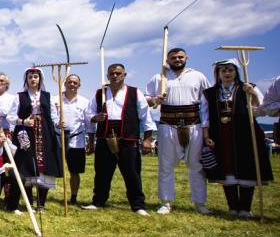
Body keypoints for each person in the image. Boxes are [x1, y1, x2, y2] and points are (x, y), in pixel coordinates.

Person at [201, 59, 273, 217]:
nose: (227, 73)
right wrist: (206, 136)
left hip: (245, 133)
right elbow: (205, 116)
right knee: (227, 167)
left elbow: (261, 108)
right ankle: (233, 207)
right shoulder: (210, 93)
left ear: (236, 72)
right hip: (221, 133)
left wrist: (252, 93)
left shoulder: (247, 87)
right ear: (218, 73)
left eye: (230, 70)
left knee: (246, 166)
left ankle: (245, 209)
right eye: (223, 71)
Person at [83, 63, 156, 216]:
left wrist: (148, 139)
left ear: (124, 75)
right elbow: (88, 116)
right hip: (104, 138)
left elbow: (145, 117)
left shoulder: (135, 93)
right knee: (102, 173)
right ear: (107, 76)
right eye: (112, 73)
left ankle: (138, 205)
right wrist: (95, 120)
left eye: (118, 73)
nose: (115, 76)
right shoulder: (99, 94)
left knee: (132, 173)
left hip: (128, 138)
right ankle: (98, 201)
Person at [145, 47, 212, 215]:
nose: (177, 59)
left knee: (196, 165)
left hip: (193, 123)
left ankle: (200, 203)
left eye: (180, 57)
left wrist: (207, 126)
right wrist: (155, 99)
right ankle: (166, 202)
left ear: (186, 58)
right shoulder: (159, 77)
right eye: (173, 57)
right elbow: (145, 99)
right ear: (167, 60)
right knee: (165, 165)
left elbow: (207, 100)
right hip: (168, 123)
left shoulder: (198, 76)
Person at [7, 68, 62, 212]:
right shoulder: (19, 96)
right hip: (26, 134)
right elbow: (10, 117)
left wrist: (58, 124)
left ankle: (41, 204)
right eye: (30, 77)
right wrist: (23, 121)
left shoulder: (47, 96)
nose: (33, 79)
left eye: (36, 77)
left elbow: (54, 116)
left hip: (45, 134)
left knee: (45, 169)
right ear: (26, 80)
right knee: (26, 167)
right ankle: (29, 203)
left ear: (40, 79)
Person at [56, 74, 90, 205]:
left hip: (77, 141)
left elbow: (88, 123)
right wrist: (56, 124)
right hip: (58, 138)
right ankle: (43, 196)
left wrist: (90, 140)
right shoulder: (56, 99)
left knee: (74, 171)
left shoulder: (84, 102)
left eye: (75, 83)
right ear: (65, 84)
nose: (72, 84)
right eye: (69, 82)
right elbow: (52, 117)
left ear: (79, 85)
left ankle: (73, 197)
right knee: (52, 169)